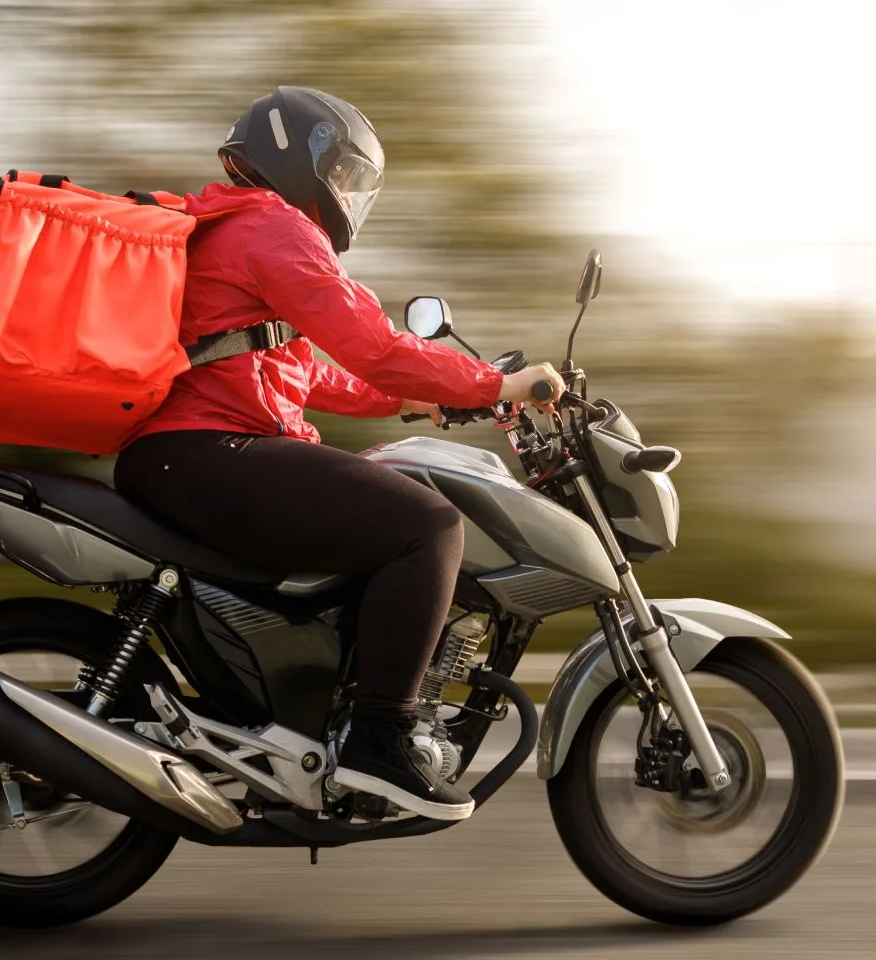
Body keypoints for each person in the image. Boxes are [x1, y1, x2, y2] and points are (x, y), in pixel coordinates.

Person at [114, 87, 562, 821]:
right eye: (345, 173)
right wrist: (496, 384)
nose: (350, 194)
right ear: (302, 157)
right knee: (429, 527)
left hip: (189, 454)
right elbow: (375, 345)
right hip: (208, 451)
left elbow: (305, 370)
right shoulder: (271, 225)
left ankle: (329, 717)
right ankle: (377, 741)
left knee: (382, 510)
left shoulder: (237, 229)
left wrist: (410, 400)